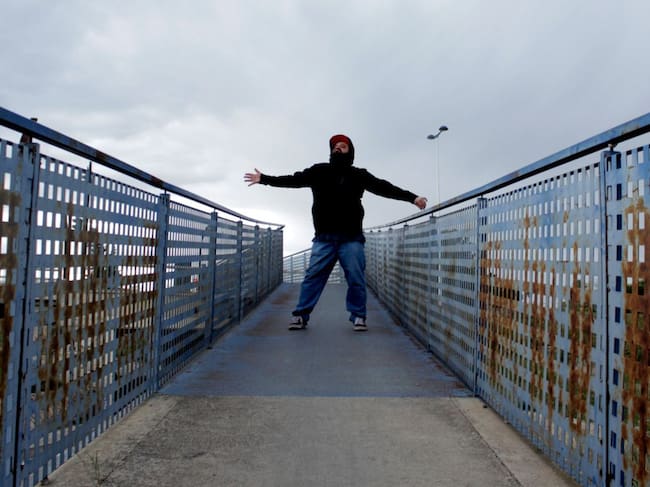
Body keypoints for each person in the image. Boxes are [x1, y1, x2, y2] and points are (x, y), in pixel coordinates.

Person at [244, 134, 427, 332]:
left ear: (350, 151)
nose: (338, 148)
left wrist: (412, 198)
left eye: (343, 146)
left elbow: (384, 187)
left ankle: (358, 316)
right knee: (313, 277)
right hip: (324, 238)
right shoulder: (319, 171)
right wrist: (264, 179)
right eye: (335, 146)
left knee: (356, 278)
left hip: (351, 238)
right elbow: (293, 180)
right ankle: (300, 315)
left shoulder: (359, 175)